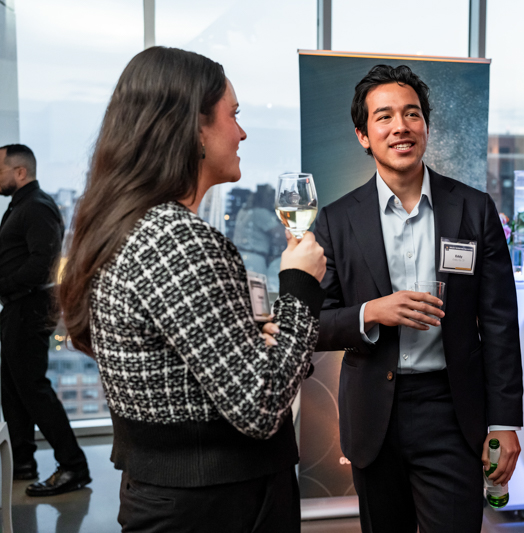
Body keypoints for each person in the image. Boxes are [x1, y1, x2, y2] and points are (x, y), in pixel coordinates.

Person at [58, 47, 326, 532]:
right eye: (233, 115)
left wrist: (256, 340)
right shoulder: (179, 240)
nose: (242, 132)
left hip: (169, 496)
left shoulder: (127, 226)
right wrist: (301, 285)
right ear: (193, 127)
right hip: (219, 506)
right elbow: (260, 407)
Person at [313, 64, 523, 533]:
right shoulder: (337, 219)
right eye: (384, 117)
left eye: (411, 114)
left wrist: (505, 421)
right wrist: (372, 312)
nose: (400, 127)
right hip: (374, 415)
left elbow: (499, 323)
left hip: (452, 409)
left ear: (425, 127)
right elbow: (313, 322)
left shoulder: (472, 207)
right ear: (364, 136)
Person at [0, 143, 90, 496]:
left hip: (30, 306)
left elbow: (42, 265)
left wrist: (2, 284)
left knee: (33, 388)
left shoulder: (37, 207)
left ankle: (73, 466)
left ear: (20, 172)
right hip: (17, 306)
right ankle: (23, 462)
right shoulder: (21, 206)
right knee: (12, 386)